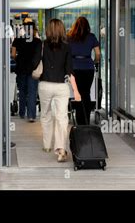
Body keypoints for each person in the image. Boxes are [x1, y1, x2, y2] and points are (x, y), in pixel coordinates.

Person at [33, 18, 81, 162]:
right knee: (62, 118)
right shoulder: (67, 47)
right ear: (62, 29)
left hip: (45, 85)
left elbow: (34, 63)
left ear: (48, 30)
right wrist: (76, 91)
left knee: (46, 115)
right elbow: (70, 71)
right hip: (61, 87)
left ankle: (47, 145)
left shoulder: (42, 45)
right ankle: (61, 149)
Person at [67, 17, 101, 125]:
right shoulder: (91, 37)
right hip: (88, 67)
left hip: (74, 68)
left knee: (76, 92)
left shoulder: (69, 37)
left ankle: (79, 119)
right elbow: (98, 54)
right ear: (87, 26)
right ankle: (86, 119)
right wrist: (95, 61)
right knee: (86, 93)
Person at [11, 19, 42, 122]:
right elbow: (39, 56)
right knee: (32, 92)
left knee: (22, 91)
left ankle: (21, 113)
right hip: (33, 70)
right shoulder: (38, 42)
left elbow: (13, 54)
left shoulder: (18, 40)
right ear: (34, 30)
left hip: (21, 69)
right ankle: (31, 116)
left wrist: (18, 60)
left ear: (24, 29)